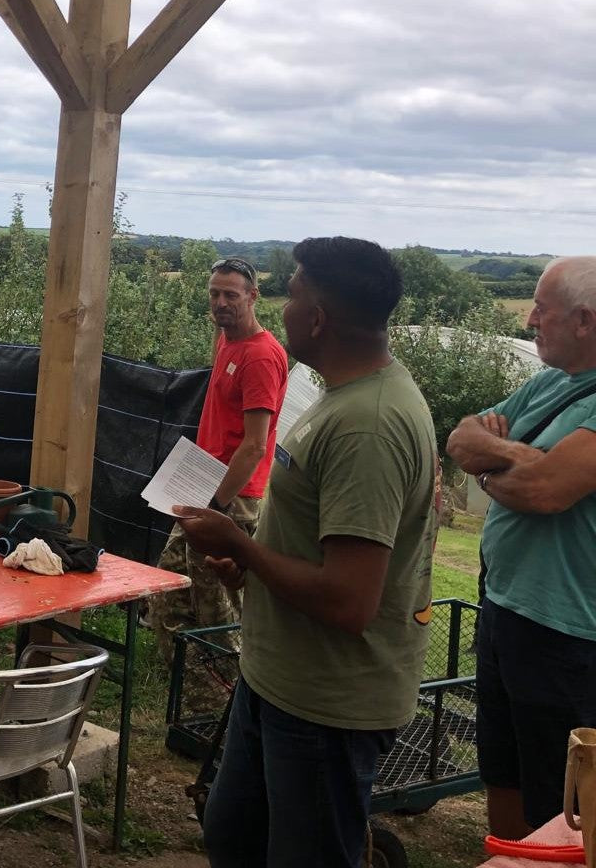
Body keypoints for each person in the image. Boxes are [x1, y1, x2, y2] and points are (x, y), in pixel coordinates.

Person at [175, 236, 438, 868]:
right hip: (279, 679)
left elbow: (350, 601)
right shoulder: (340, 398)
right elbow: (314, 542)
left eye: (291, 293)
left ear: (317, 315)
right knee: (233, 835)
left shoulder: (367, 425)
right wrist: (253, 560)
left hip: (326, 705)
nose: (284, 308)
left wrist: (239, 541)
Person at [446, 256, 596, 839]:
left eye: (542, 309)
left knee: (559, 805)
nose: (530, 319)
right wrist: (504, 462)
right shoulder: (549, 381)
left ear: (584, 320)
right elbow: (462, 435)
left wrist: (499, 462)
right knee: (502, 770)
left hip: (567, 635)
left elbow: (545, 491)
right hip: (506, 608)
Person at [150, 256, 288, 664]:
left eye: (231, 294)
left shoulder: (261, 357)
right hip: (202, 481)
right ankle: (186, 682)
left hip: (233, 496)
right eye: (214, 293)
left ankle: (227, 687)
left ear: (253, 296)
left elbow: (255, 445)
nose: (221, 302)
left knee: (218, 606)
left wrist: (218, 505)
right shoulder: (226, 337)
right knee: (169, 588)